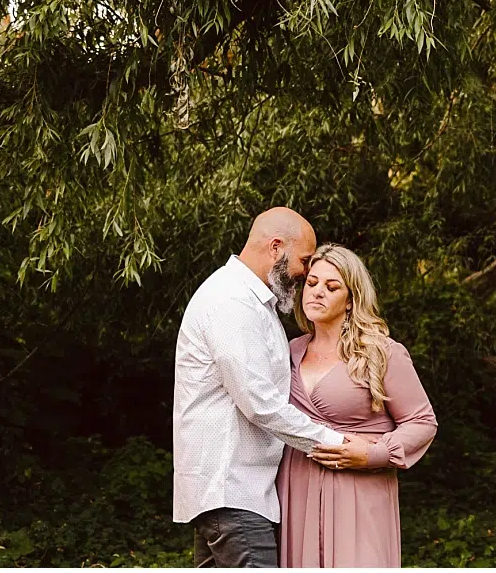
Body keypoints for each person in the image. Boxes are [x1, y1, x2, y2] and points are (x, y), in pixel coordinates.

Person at [173, 208, 371, 567]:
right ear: (276, 247)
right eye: (304, 260)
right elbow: (259, 403)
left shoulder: (250, 301)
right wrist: (337, 443)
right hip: (232, 490)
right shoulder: (231, 301)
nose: (306, 272)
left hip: (233, 491)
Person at [277, 243, 438, 568]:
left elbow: (422, 422)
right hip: (297, 489)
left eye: (331, 287)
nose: (317, 292)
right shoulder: (289, 351)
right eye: (312, 283)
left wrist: (374, 455)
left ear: (351, 300)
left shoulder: (382, 353)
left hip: (359, 490)